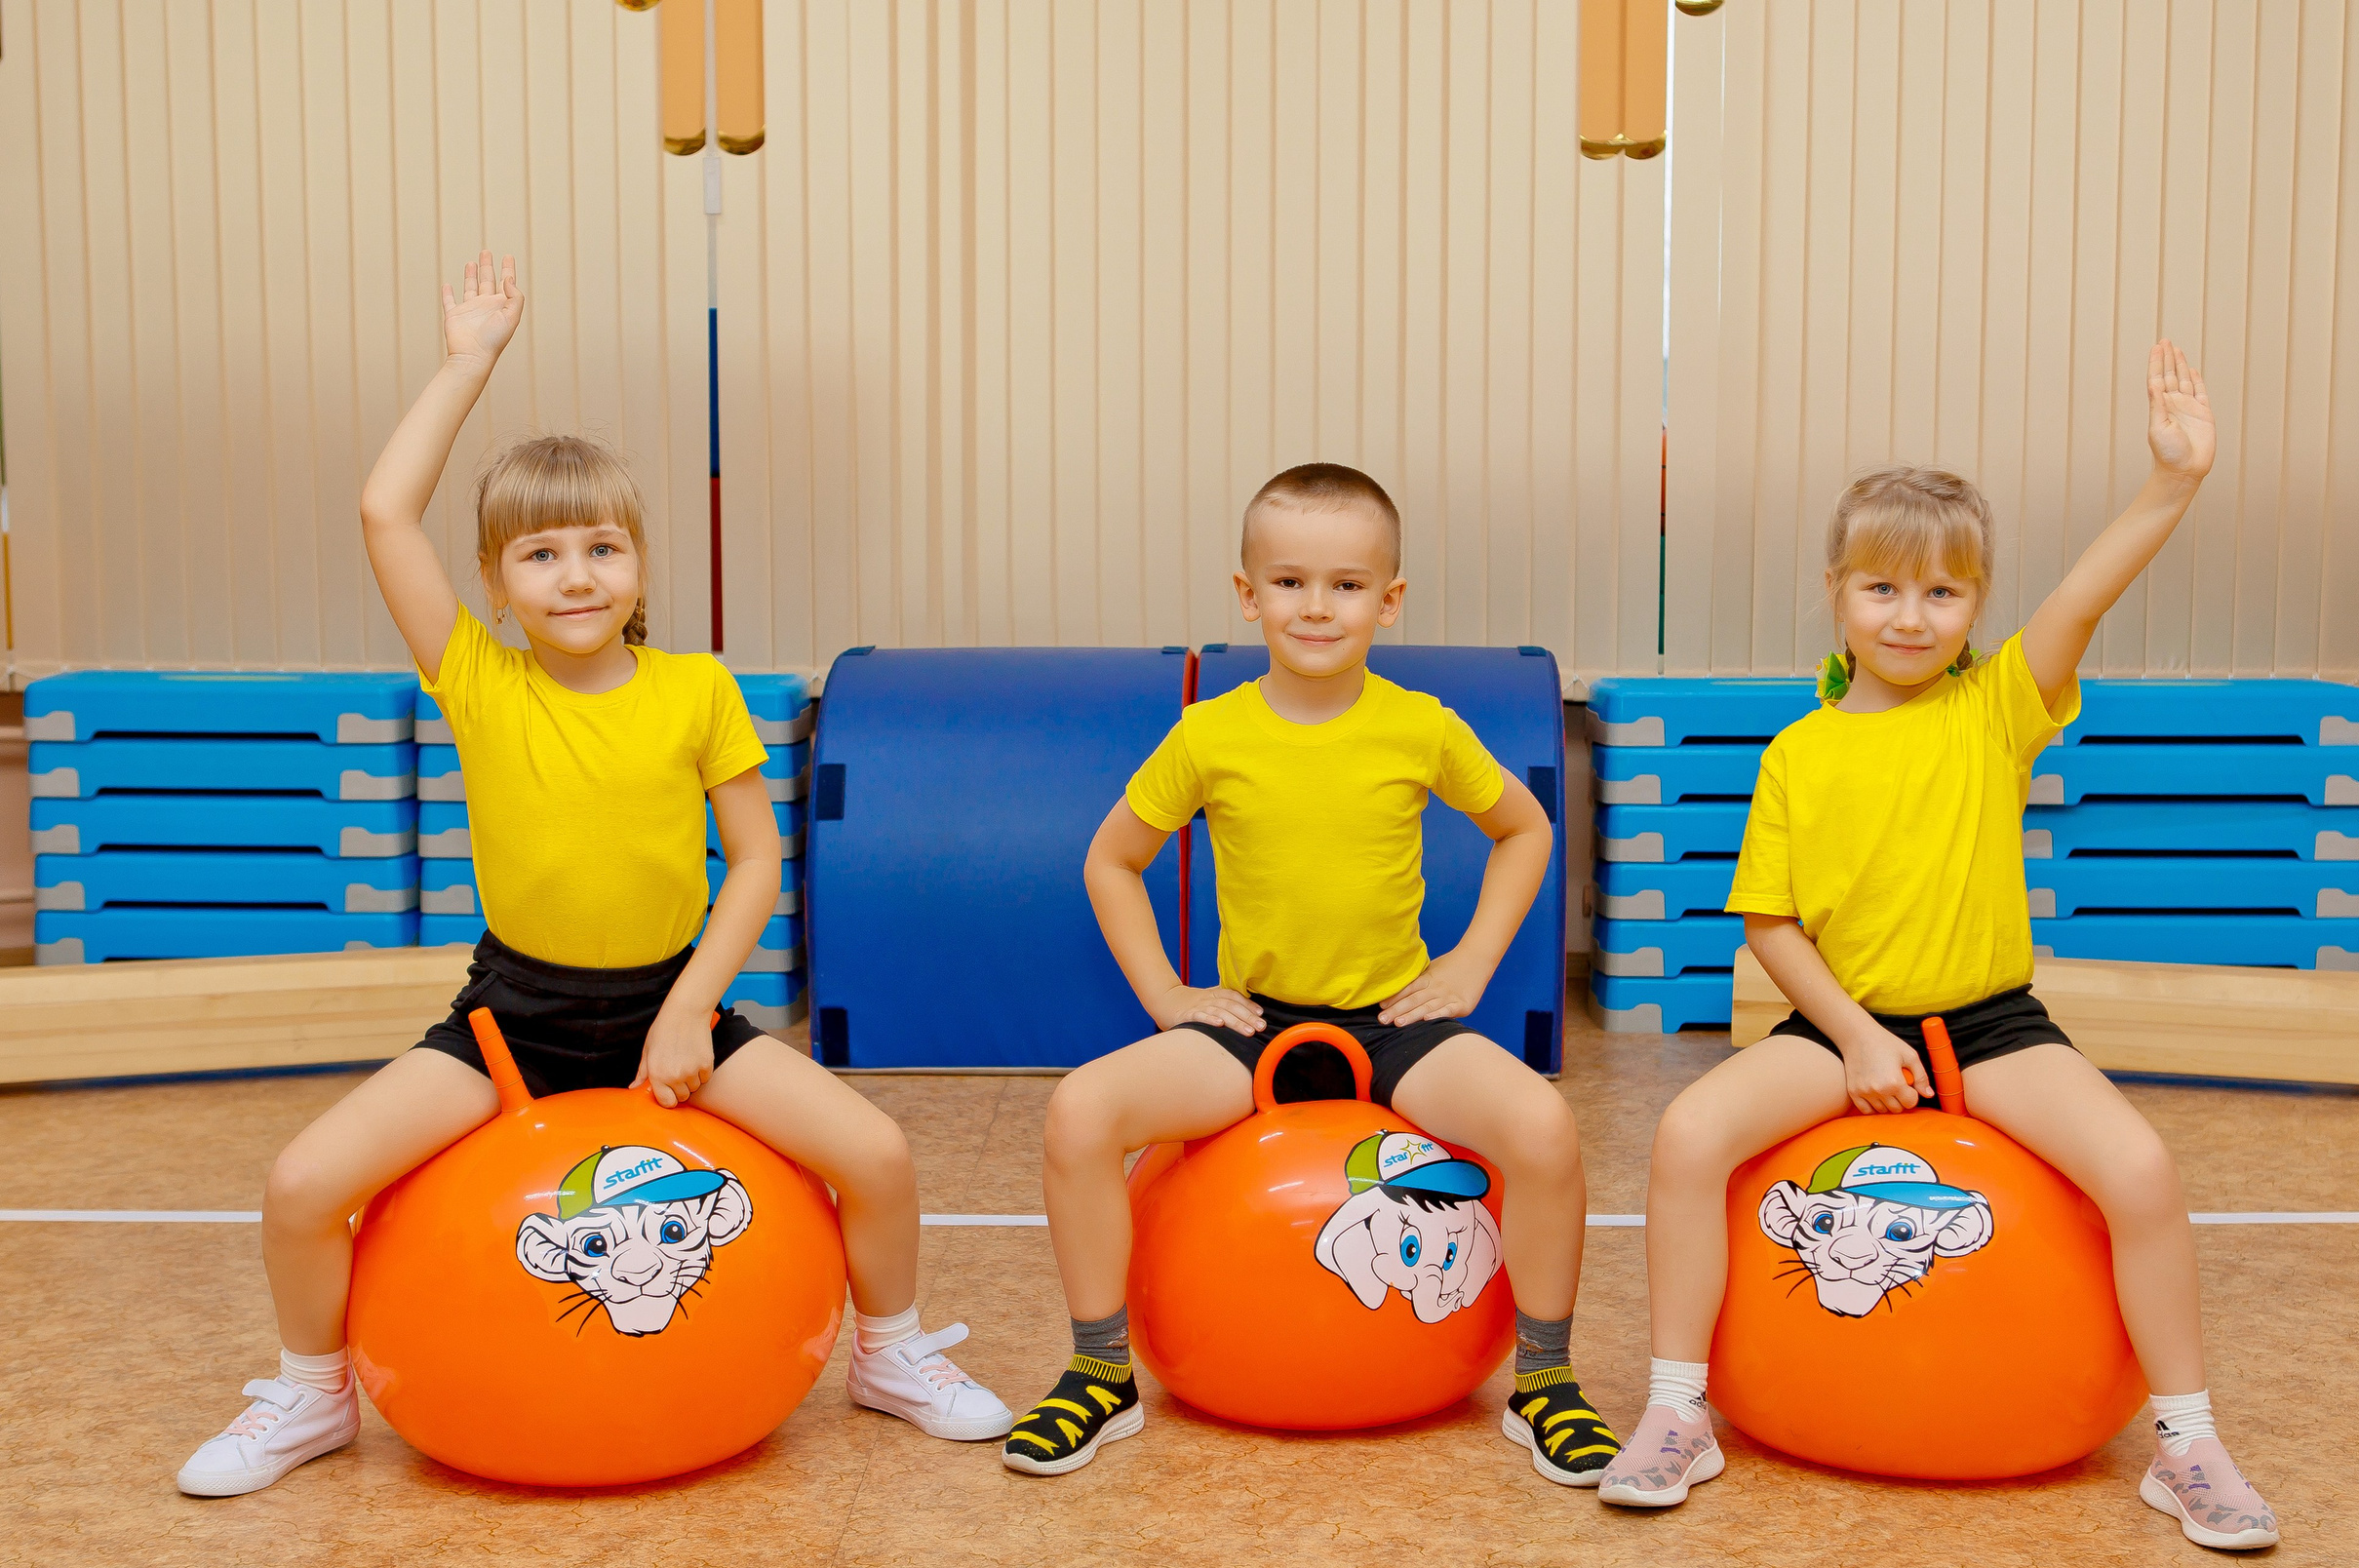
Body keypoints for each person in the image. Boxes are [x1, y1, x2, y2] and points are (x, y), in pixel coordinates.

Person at [177, 251, 1009, 1497]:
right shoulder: (476, 679)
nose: (574, 575)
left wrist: (687, 1014)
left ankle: (889, 1355)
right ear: (498, 588)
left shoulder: (697, 689)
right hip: (514, 1020)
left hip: (675, 1009)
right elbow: (381, 515)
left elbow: (757, 863)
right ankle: (310, 1394)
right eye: (539, 555)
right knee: (302, 1185)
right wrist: (469, 364)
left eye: (601, 548)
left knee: (879, 1155)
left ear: (638, 568)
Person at [1597, 342, 2279, 1551]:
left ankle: (2186, 1442)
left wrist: (2172, 485)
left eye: (1942, 595)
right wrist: (1854, 1036)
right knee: (1688, 1135)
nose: (1909, 617)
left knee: (2140, 1173)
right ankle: (1675, 1410)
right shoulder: (1798, 752)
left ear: (1974, 605)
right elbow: (1770, 925)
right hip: (1838, 1025)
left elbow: (2081, 594)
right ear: (1836, 591)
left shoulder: (1996, 706)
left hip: (1991, 1022)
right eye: (1882, 590)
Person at [1003, 463, 1620, 1483]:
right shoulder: (1210, 733)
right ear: (1247, 596)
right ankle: (1099, 1372)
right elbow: (1111, 860)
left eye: (1344, 584)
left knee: (1545, 1131)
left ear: (1389, 599)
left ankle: (1546, 1380)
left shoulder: (1418, 724)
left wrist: (1469, 965)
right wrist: (1167, 996)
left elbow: (1525, 829)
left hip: (1396, 1023)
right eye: (1289, 582)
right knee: (1079, 1113)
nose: (1316, 607)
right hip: (1252, 1027)